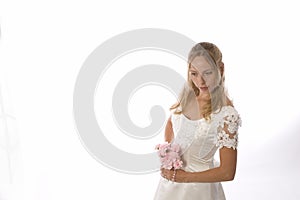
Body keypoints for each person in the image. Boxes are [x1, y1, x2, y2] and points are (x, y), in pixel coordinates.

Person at [154, 42, 242, 200]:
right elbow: (171, 122)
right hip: (168, 188)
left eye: (207, 73)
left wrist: (183, 177)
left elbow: (228, 172)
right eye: (194, 73)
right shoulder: (188, 96)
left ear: (220, 69)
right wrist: (168, 150)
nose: (200, 81)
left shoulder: (226, 114)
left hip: (198, 191)